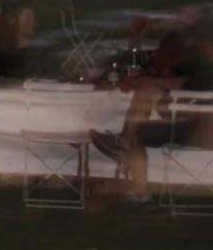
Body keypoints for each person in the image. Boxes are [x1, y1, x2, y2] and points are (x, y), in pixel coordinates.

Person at [91, 19, 213, 205]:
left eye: (201, 43)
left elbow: (185, 88)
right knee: (146, 100)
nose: (199, 47)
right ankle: (126, 151)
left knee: (138, 131)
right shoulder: (202, 65)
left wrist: (144, 81)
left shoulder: (206, 68)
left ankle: (137, 185)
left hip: (200, 129)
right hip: (190, 118)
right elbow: (182, 84)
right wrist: (145, 80)